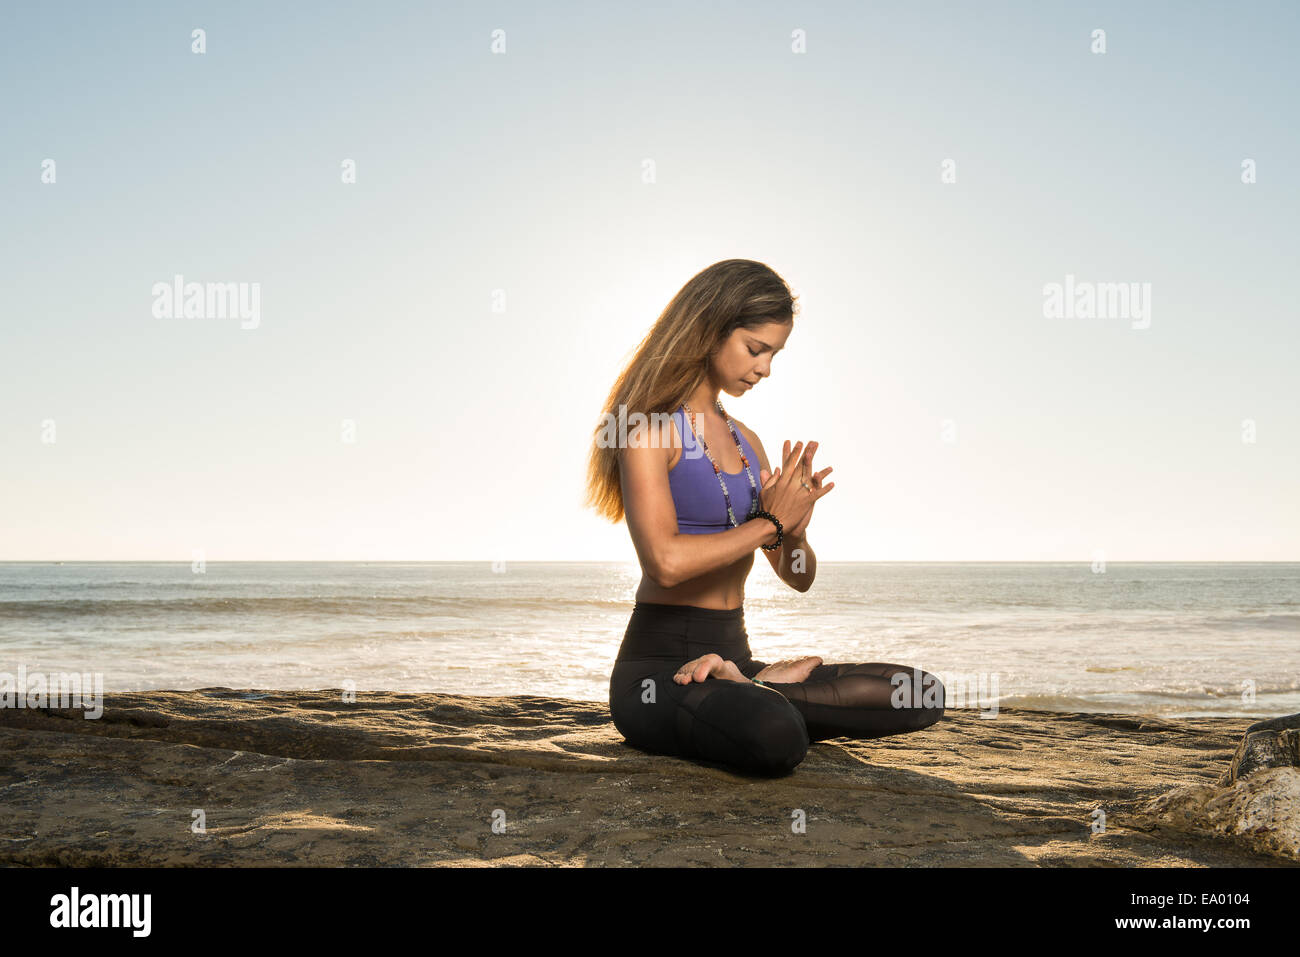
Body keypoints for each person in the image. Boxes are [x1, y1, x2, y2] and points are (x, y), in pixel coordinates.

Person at [585, 259, 946, 777]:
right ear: (709, 330)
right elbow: (664, 563)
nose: (765, 369)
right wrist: (771, 523)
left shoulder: (746, 442)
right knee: (774, 737)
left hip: (736, 659)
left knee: (920, 691)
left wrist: (795, 528)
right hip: (659, 672)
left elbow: (797, 578)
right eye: (756, 349)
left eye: (774, 354)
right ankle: (760, 697)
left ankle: (756, 687)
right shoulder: (648, 430)